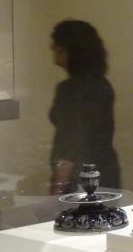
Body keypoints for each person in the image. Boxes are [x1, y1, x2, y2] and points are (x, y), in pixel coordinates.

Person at [48, 19, 120, 194]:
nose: (53, 50)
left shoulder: (71, 90)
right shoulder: (101, 85)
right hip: (103, 171)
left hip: (79, 177)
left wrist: (60, 182)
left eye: (59, 48)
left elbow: (71, 139)